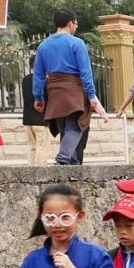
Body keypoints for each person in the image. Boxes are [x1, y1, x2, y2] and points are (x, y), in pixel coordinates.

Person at [33, 9, 107, 165]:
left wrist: (38, 97)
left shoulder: (43, 46)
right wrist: (92, 96)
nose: (76, 26)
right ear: (70, 23)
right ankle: (63, 158)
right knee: (77, 126)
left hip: (54, 91)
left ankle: (72, 164)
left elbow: (38, 75)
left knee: (64, 130)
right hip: (73, 90)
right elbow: (85, 72)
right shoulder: (76, 43)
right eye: (76, 23)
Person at [22, 54, 51, 165]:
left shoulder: (25, 80)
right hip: (41, 119)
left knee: (32, 147)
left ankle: (31, 170)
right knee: (42, 147)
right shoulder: (44, 80)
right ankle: (39, 172)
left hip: (28, 119)